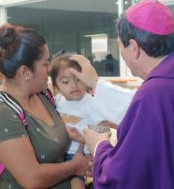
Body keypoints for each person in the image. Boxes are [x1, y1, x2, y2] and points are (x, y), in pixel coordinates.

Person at [75, 0, 174, 189]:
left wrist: (99, 146)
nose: (122, 55)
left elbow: (124, 177)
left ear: (134, 48)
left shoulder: (154, 93)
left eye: (120, 47)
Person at [0, 23, 92, 189]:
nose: (50, 69)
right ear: (25, 72)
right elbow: (31, 178)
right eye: (45, 64)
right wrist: (75, 167)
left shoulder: (42, 94)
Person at [50, 52, 134, 189]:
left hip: (81, 154)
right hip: (58, 152)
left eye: (78, 79)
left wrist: (81, 138)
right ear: (56, 85)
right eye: (65, 81)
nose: (73, 85)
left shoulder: (92, 103)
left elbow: (103, 132)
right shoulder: (55, 102)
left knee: (75, 181)